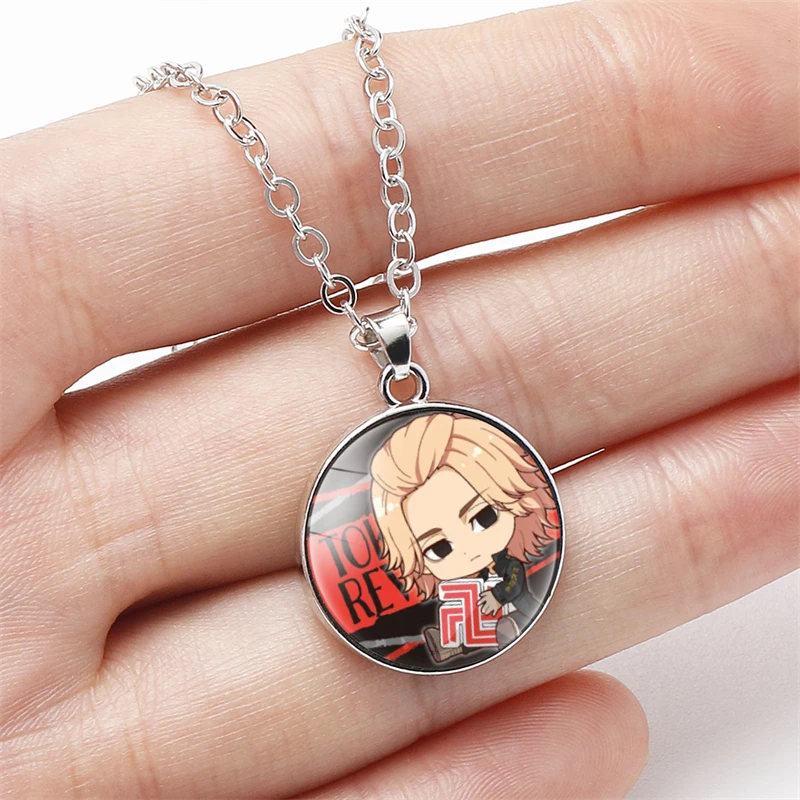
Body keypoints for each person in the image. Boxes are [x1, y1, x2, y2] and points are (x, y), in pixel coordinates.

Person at [1, 1, 796, 797]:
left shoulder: (501, 582)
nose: (467, 549)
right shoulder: (446, 613)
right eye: (439, 548)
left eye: (479, 518)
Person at [370, 412, 559, 659]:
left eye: (484, 517)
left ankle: (479, 637)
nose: (469, 548)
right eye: (438, 548)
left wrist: (497, 596)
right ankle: (452, 645)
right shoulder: (476, 579)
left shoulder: (508, 564)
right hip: (488, 622)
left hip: (519, 612)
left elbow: (515, 582)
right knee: (473, 623)